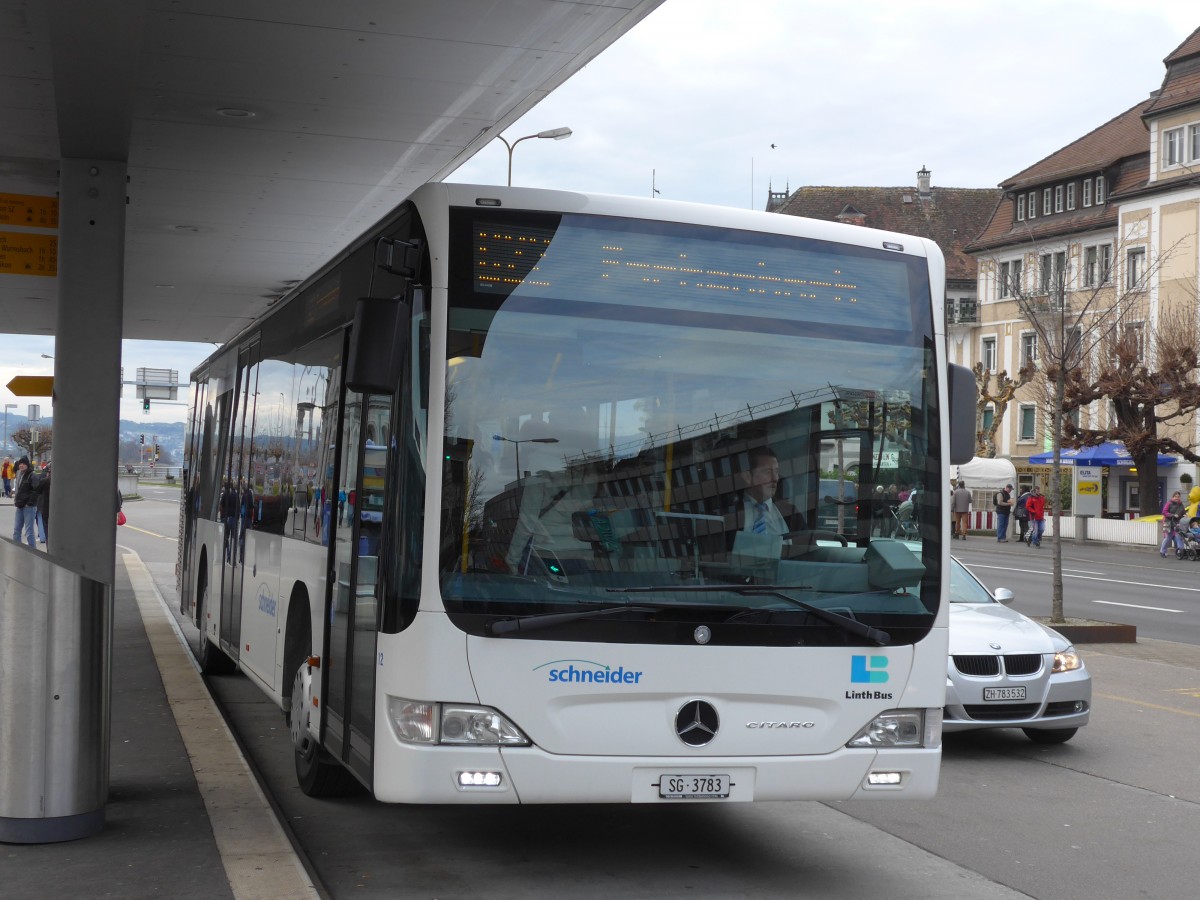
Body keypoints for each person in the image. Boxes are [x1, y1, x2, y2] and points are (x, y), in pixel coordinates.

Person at [10, 456, 37, 547]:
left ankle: (33, 552)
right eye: (20, 464)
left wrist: (29, 503)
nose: (21, 465)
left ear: (27, 465)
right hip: (20, 505)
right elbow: (18, 488)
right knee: (16, 531)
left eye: (23, 464)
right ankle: (17, 549)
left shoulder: (32, 475)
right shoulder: (19, 474)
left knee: (29, 532)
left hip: (29, 507)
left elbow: (36, 490)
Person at [1159, 490, 1186, 558]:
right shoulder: (1169, 503)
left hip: (1177, 522)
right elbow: (1164, 512)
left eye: (1178, 496)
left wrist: (1185, 515)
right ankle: (1163, 551)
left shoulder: (1181, 505)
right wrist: (1172, 515)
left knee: (1179, 536)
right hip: (1168, 522)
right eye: (1175, 496)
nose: (1177, 498)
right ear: (1173, 497)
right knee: (1168, 537)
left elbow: (1183, 512)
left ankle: (1180, 552)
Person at [31, 463, 50, 543]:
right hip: (47, 502)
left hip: (39, 501)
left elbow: (36, 489)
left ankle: (42, 538)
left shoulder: (41, 476)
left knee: (40, 519)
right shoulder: (52, 478)